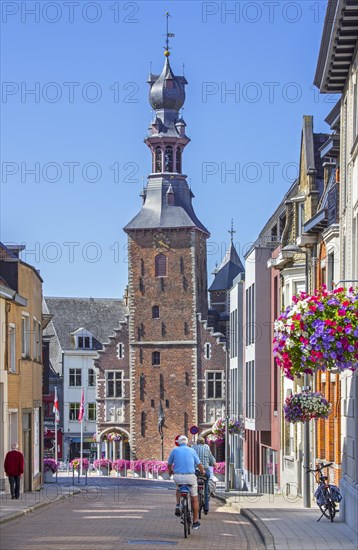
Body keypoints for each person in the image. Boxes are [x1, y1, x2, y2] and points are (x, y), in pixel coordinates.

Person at [167, 435, 205, 530]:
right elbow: (199, 464)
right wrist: (202, 472)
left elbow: (169, 464)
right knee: (194, 498)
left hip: (178, 477)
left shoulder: (174, 450)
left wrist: (170, 471)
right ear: (187, 442)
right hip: (190, 477)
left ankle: (178, 505)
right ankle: (195, 522)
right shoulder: (192, 450)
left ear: (179, 443)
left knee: (178, 488)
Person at [192, 437, 216, 514]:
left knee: (193, 487)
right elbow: (211, 459)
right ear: (203, 442)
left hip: (195, 471)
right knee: (206, 488)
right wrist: (213, 463)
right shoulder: (207, 447)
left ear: (197, 442)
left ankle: (193, 506)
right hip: (205, 470)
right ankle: (206, 508)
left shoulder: (193, 448)